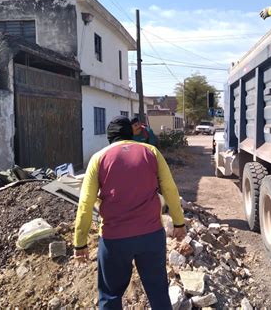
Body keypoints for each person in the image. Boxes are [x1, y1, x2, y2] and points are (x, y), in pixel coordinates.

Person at [73, 115, 186, 309]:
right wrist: (179, 223)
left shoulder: (98, 158)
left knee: (110, 295)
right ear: (130, 133)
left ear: (109, 137)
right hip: (151, 236)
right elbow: (170, 189)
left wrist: (80, 242)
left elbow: (85, 203)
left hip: (114, 239)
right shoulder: (151, 152)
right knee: (158, 291)